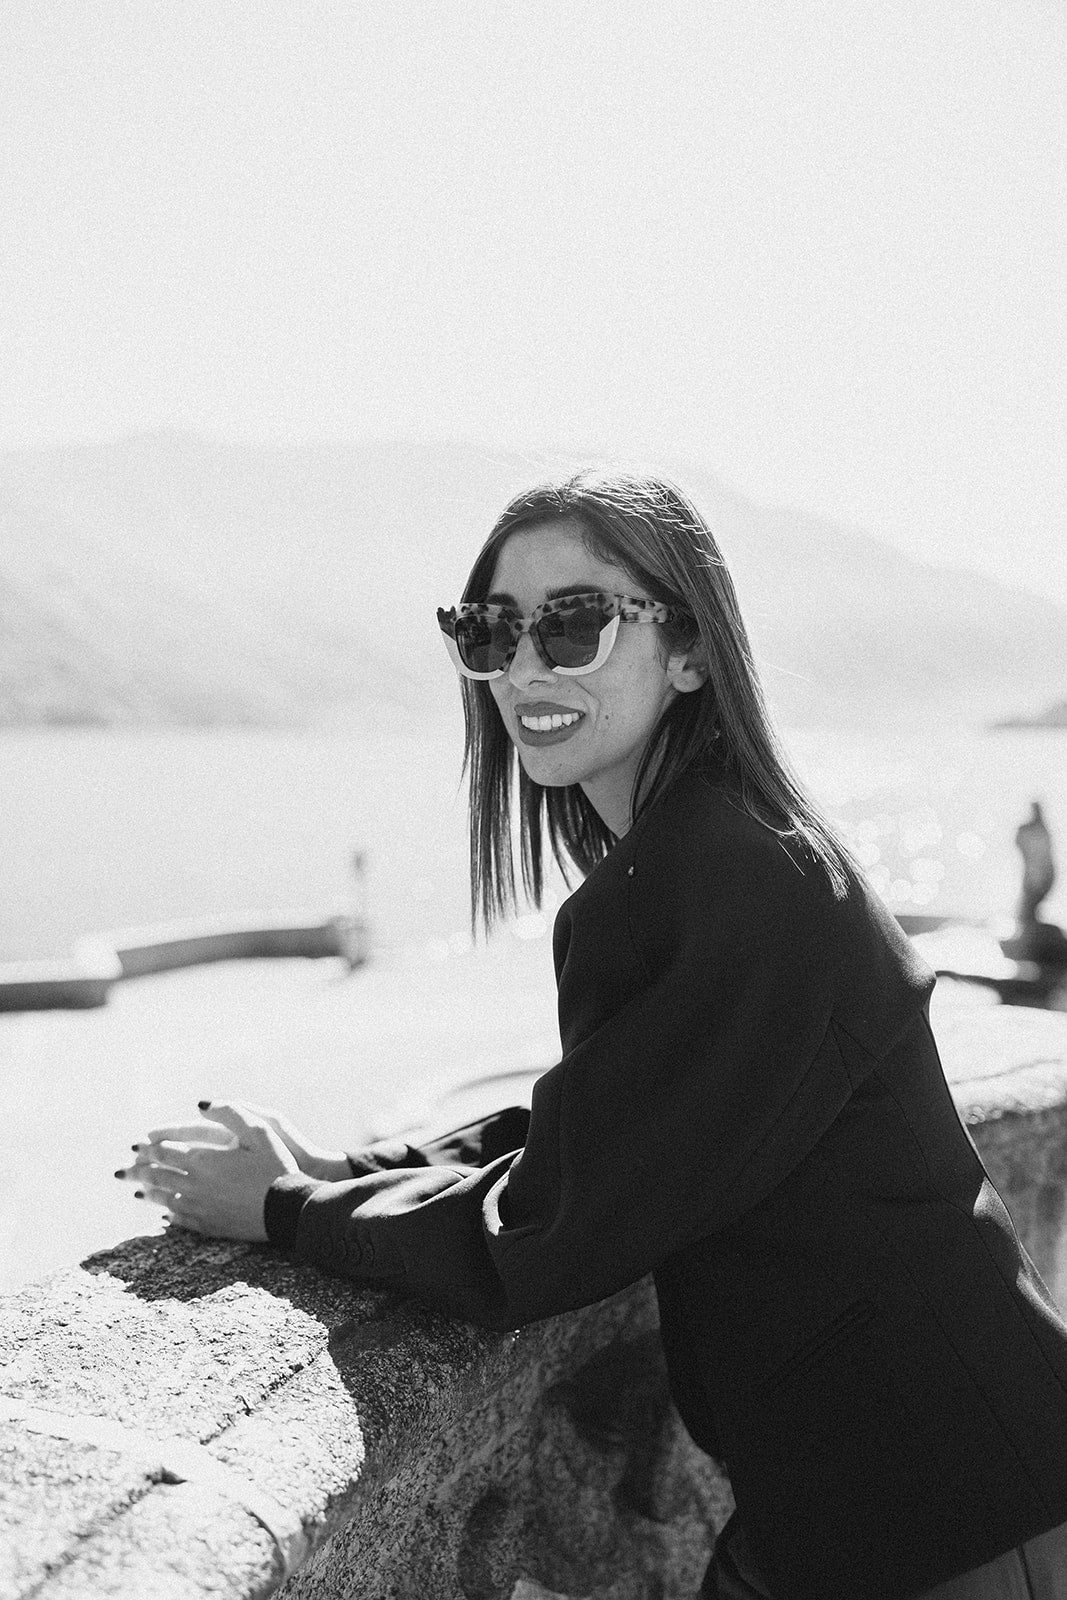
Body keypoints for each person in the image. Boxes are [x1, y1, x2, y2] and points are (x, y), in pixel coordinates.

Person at [119, 469, 1067, 1600]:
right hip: (883, 1491)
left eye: (571, 623)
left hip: (947, 1506)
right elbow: (614, 1116)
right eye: (488, 628)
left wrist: (281, 1211)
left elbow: (549, 1231)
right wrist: (354, 1169)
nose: (523, 666)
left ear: (688, 650)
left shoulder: (721, 874)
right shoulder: (712, 850)